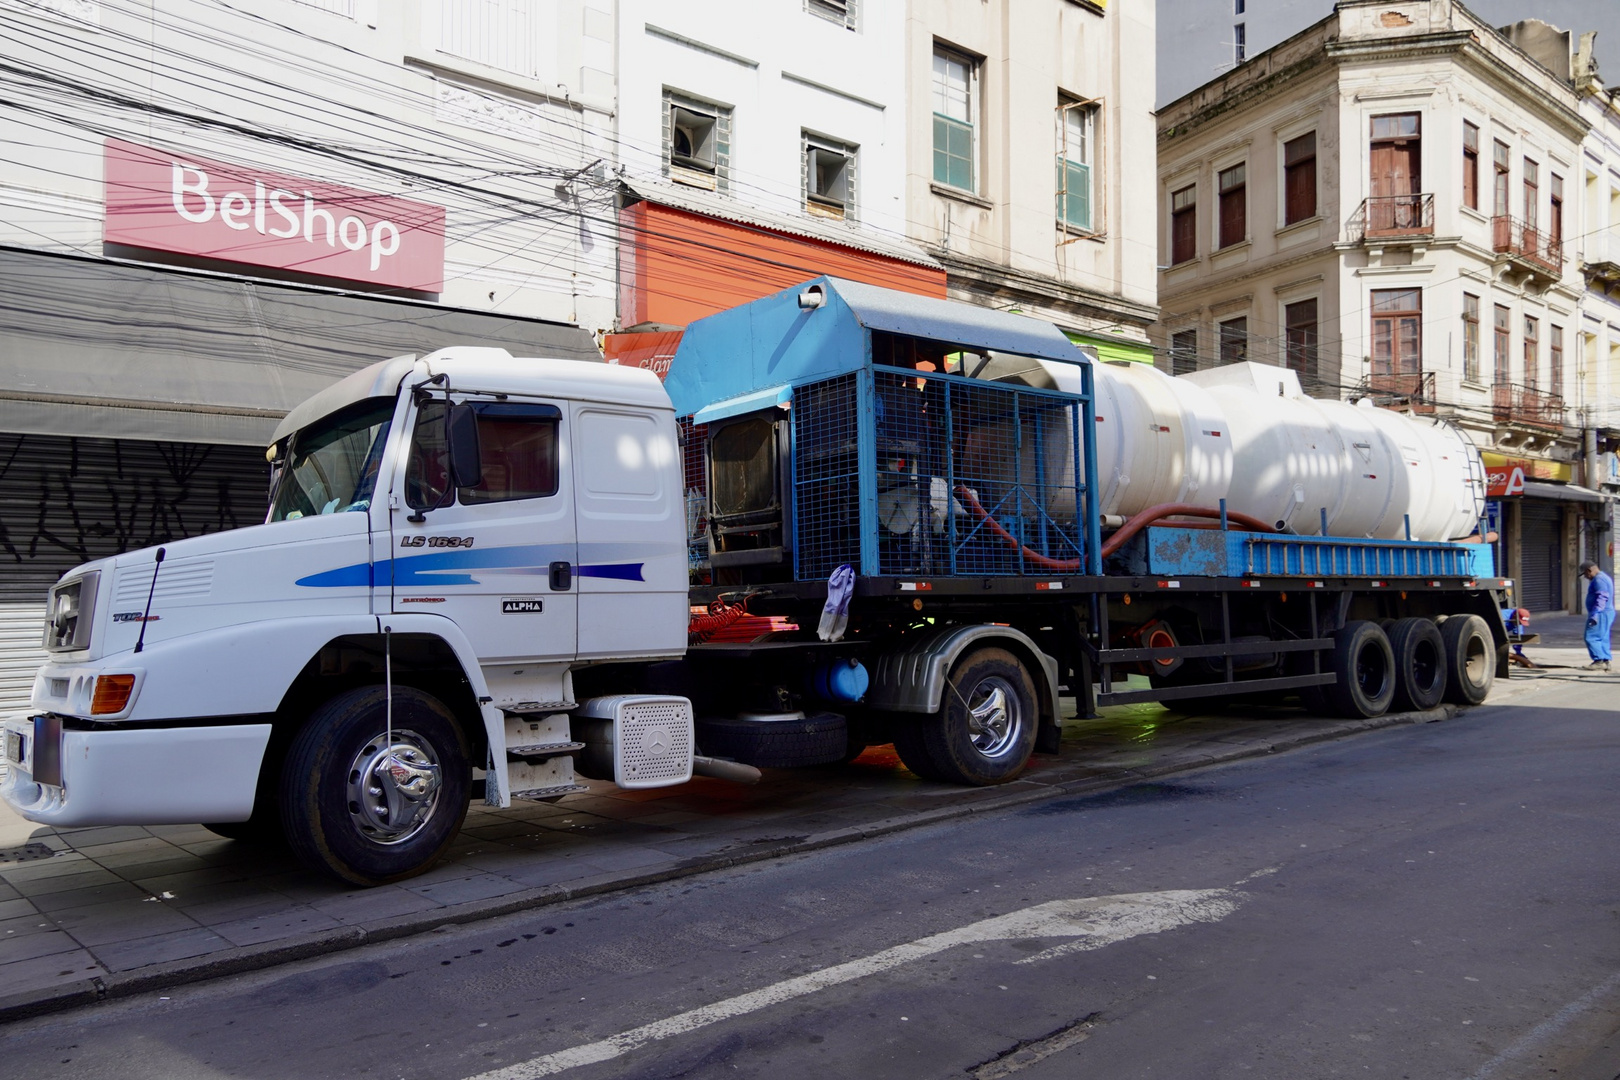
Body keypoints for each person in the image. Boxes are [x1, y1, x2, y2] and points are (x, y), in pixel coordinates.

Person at [1580, 561, 1614, 671]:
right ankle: (1605, 661)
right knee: (1602, 637)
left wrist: (1595, 613)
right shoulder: (1604, 577)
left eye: (1585, 574)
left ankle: (1598, 661)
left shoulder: (1599, 579)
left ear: (1589, 570)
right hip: (1605, 612)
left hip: (1600, 613)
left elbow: (1602, 596)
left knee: (1591, 636)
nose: (1585, 577)